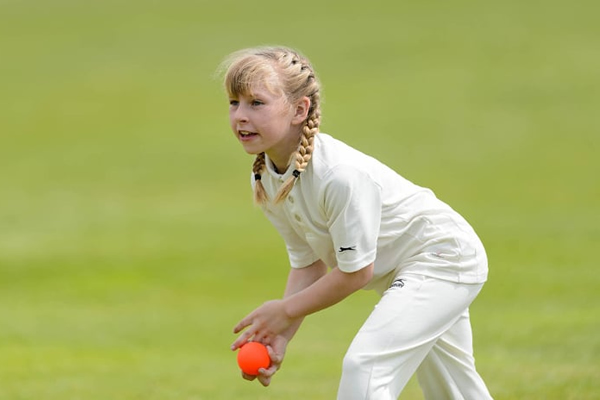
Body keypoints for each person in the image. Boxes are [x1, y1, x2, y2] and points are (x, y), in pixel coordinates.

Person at [221, 45, 493, 399]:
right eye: (233, 102)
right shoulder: (266, 176)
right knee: (453, 388)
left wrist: (285, 310)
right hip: (409, 269)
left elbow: (357, 272)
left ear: (299, 110)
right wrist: (282, 331)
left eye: (256, 103)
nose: (241, 115)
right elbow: (309, 264)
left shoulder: (339, 176)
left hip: (442, 259)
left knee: (366, 365)